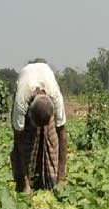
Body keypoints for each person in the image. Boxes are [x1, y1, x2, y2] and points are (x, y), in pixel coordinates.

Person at [10, 62, 68, 194]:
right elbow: (18, 140)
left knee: (51, 140)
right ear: (29, 113)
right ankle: (25, 183)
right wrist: (25, 184)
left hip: (45, 83)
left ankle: (50, 181)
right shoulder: (22, 100)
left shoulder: (55, 97)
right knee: (27, 142)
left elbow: (62, 134)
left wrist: (61, 177)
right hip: (27, 86)